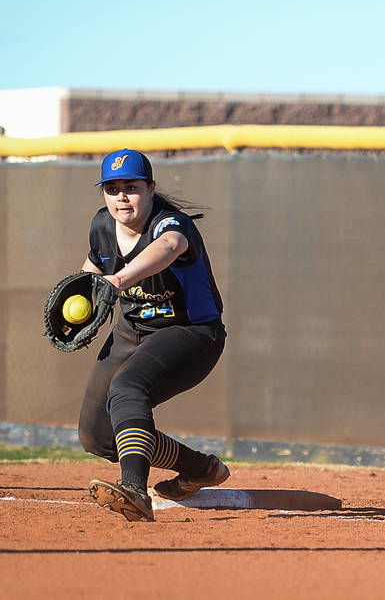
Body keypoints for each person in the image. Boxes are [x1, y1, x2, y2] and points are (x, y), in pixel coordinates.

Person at [77, 148, 230, 522]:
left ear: (150, 189)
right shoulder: (101, 226)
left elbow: (169, 248)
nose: (121, 197)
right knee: (97, 434)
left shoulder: (170, 225)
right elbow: (92, 271)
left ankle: (133, 489)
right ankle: (198, 468)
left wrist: (119, 280)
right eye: (112, 189)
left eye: (131, 186)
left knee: (128, 388)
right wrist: (79, 301)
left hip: (191, 332)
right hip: (132, 330)